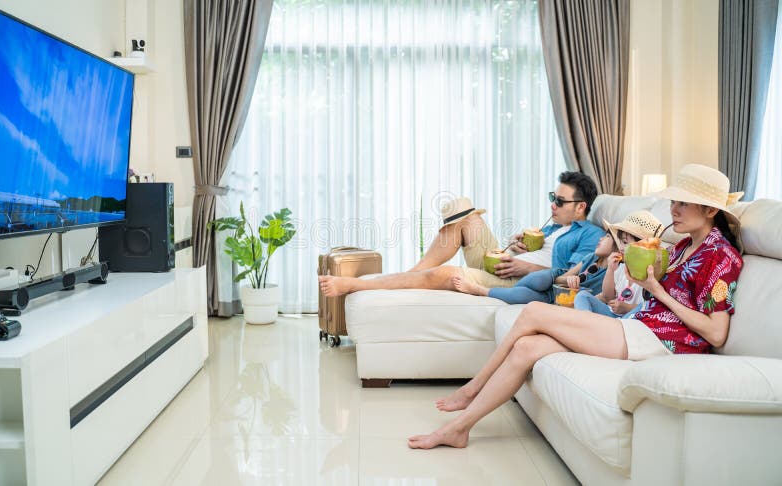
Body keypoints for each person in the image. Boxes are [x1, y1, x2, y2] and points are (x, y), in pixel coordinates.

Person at [407, 164, 744, 450]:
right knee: (527, 346)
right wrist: (635, 282)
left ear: (711, 210)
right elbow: (649, 294)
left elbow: (715, 332)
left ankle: (471, 388)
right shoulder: (683, 244)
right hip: (640, 325)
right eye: (674, 201)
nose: (673, 210)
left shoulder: (721, 256)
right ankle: (460, 429)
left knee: (534, 312)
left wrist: (656, 289)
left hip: (663, 342)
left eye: (684, 204)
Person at [318, 172, 604, 297]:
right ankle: (412, 274)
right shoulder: (553, 226)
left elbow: (572, 278)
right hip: (507, 264)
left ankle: (354, 285)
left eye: (560, 201)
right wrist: (516, 247)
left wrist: (526, 265)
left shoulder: (590, 235)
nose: (552, 204)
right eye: (553, 196)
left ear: (581, 207)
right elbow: (534, 250)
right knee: (465, 216)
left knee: (445, 274)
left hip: (524, 280)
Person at [451, 232, 618, 304]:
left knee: (522, 294)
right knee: (539, 279)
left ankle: (480, 290)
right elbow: (563, 277)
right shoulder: (591, 257)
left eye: (607, 237)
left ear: (617, 248)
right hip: (556, 281)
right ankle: (509, 294)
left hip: (560, 297)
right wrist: (566, 280)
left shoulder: (614, 272)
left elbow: (604, 297)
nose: (600, 238)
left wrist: (576, 288)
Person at [574, 211, 664, 319]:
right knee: (582, 296)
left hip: (631, 319)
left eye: (625, 243)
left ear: (643, 247)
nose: (620, 247)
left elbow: (650, 309)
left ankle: (591, 326)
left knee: (642, 307)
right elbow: (608, 296)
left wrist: (628, 308)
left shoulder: (651, 273)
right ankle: (586, 322)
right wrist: (610, 270)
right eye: (620, 242)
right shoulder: (621, 268)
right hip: (612, 315)